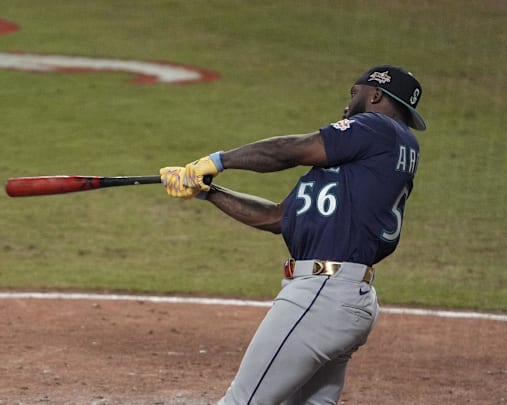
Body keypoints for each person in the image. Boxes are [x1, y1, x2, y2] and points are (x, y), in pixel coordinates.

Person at [160, 64, 425, 404]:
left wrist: (216, 161)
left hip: (322, 293)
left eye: (353, 93)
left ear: (375, 94)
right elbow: (277, 217)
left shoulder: (376, 128)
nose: (346, 106)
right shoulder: (367, 161)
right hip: (348, 298)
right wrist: (207, 191)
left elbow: (289, 149)